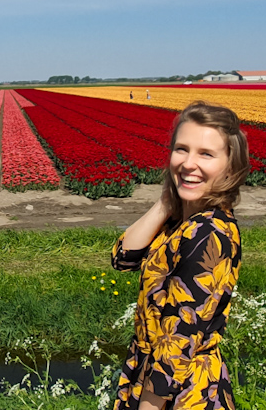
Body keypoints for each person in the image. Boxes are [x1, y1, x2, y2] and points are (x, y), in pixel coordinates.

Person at [111, 101, 250, 410]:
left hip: (180, 392)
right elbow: (123, 258)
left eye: (206, 154)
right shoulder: (182, 221)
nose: (189, 163)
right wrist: (167, 199)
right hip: (149, 374)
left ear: (231, 165)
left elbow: (179, 344)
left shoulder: (209, 233)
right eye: (181, 149)